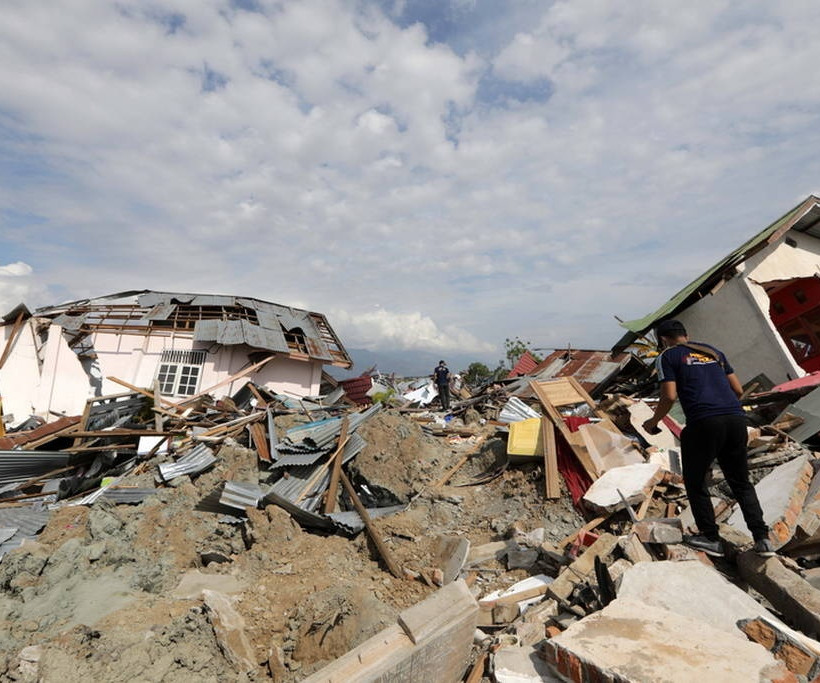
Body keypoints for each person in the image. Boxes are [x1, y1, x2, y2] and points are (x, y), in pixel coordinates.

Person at [642, 319, 775, 558]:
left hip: (703, 422)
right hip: (735, 420)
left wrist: (652, 422)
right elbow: (736, 389)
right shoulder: (712, 352)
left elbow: (669, 395)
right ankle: (762, 538)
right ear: (686, 334)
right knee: (740, 482)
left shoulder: (668, 356)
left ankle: (710, 537)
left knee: (694, 482)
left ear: (662, 339)